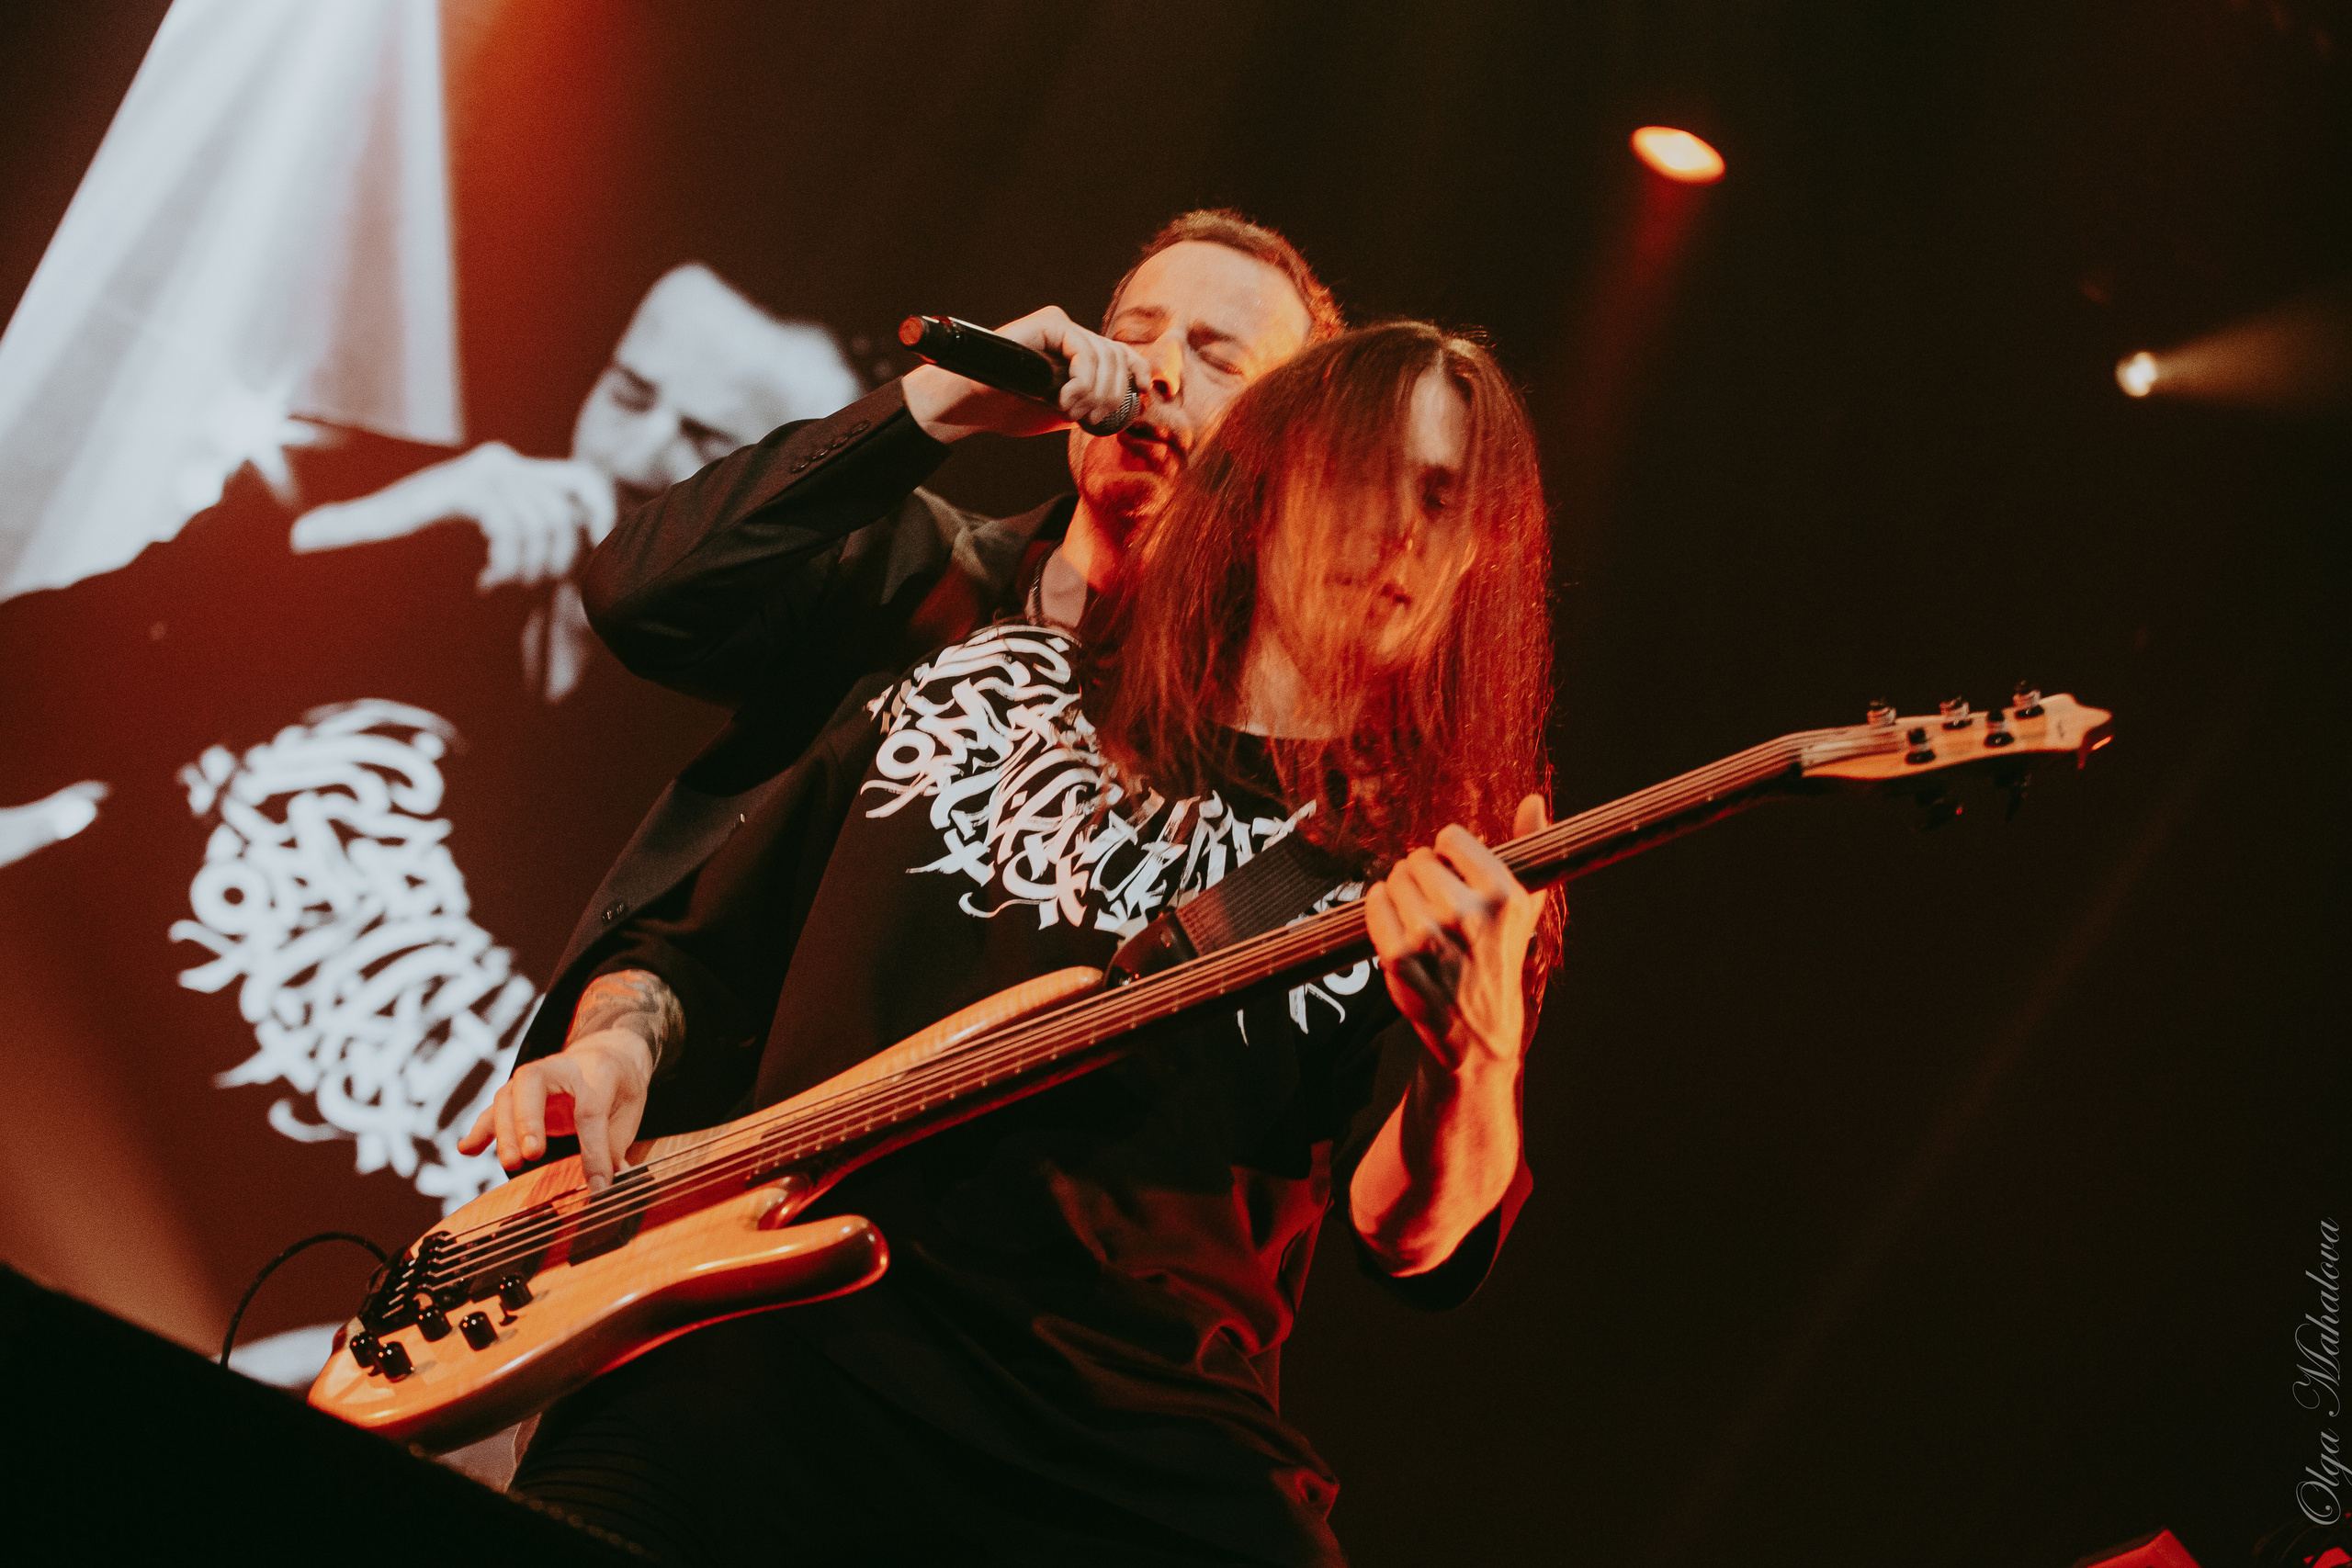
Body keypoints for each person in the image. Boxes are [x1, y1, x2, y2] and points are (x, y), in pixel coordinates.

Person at [464, 321, 1563, 1566]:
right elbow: (702, 936)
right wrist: (611, 1041)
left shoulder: (1442, 864)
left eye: (1449, 500)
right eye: (1374, 478)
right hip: (766, 1353)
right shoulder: (990, 676)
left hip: (1114, 1455)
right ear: (1262, 487)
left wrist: (1475, 1061)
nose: (1407, 535)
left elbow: (1410, 1236)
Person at [500, 210, 1345, 1125]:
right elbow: (641, 598)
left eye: (1219, 359)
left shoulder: (1305, 770)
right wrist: (941, 404)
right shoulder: (906, 573)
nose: (1158, 370)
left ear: (1294, 446)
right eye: (1134, 335)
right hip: (763, 1226)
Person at [288, 263, 863, 702]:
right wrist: (368, 529)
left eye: (707, 441)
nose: (635, 456)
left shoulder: (750, 752)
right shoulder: (447, 557)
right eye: (627, 396)